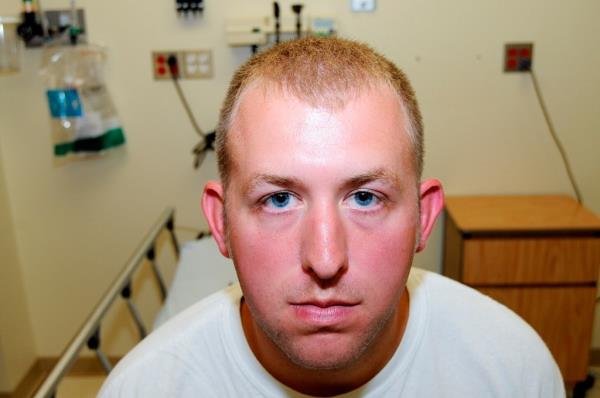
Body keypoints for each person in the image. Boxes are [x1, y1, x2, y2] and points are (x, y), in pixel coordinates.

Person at [99, 37, 564, 397]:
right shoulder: (144, 387)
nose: (325, 260)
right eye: (279, 199)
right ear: (220, 223)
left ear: (424, 217)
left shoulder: (514, 372)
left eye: (365, 197)